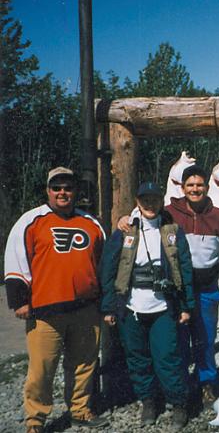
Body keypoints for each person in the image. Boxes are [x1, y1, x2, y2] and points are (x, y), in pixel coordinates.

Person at [118, 165, 219, 404]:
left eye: (199, 185)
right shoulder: (167, 213)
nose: (195, 189)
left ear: (207, 187)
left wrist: (217, 267)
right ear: (182, 187)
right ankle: (181, 384)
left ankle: (207, 382)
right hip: (175, 291)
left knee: (205, 338)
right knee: (178, 339)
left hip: (207, 290)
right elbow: (142, 214)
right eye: (190, 185)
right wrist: (124, 219)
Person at [3, 167, 109, 433]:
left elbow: (103, 264)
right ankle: (35, 420)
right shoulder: (32, 220)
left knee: (84, 364)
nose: (62, 192)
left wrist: (104, 301)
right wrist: (20, 301)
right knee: (41, 370)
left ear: (75, 191)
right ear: (48, 190)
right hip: (45, 311)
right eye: (56, 187)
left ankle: (80, 411)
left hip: (85, 308)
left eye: (68, 187)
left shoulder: (91, 223)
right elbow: (16, 260)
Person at [100, 182, 194, 430]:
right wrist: (109, 307)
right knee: (138, 358)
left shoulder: (173, 230)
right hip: (131, 307)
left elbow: (184, 269)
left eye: (154, 199)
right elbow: (108, 270)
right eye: (145, 200)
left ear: (161, 201)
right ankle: (149, 402)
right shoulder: (124, 231)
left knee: (168, 358)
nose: (150, 204)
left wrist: (186, 306)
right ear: (137, 202)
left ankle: (179, 405)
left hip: (164, 307)